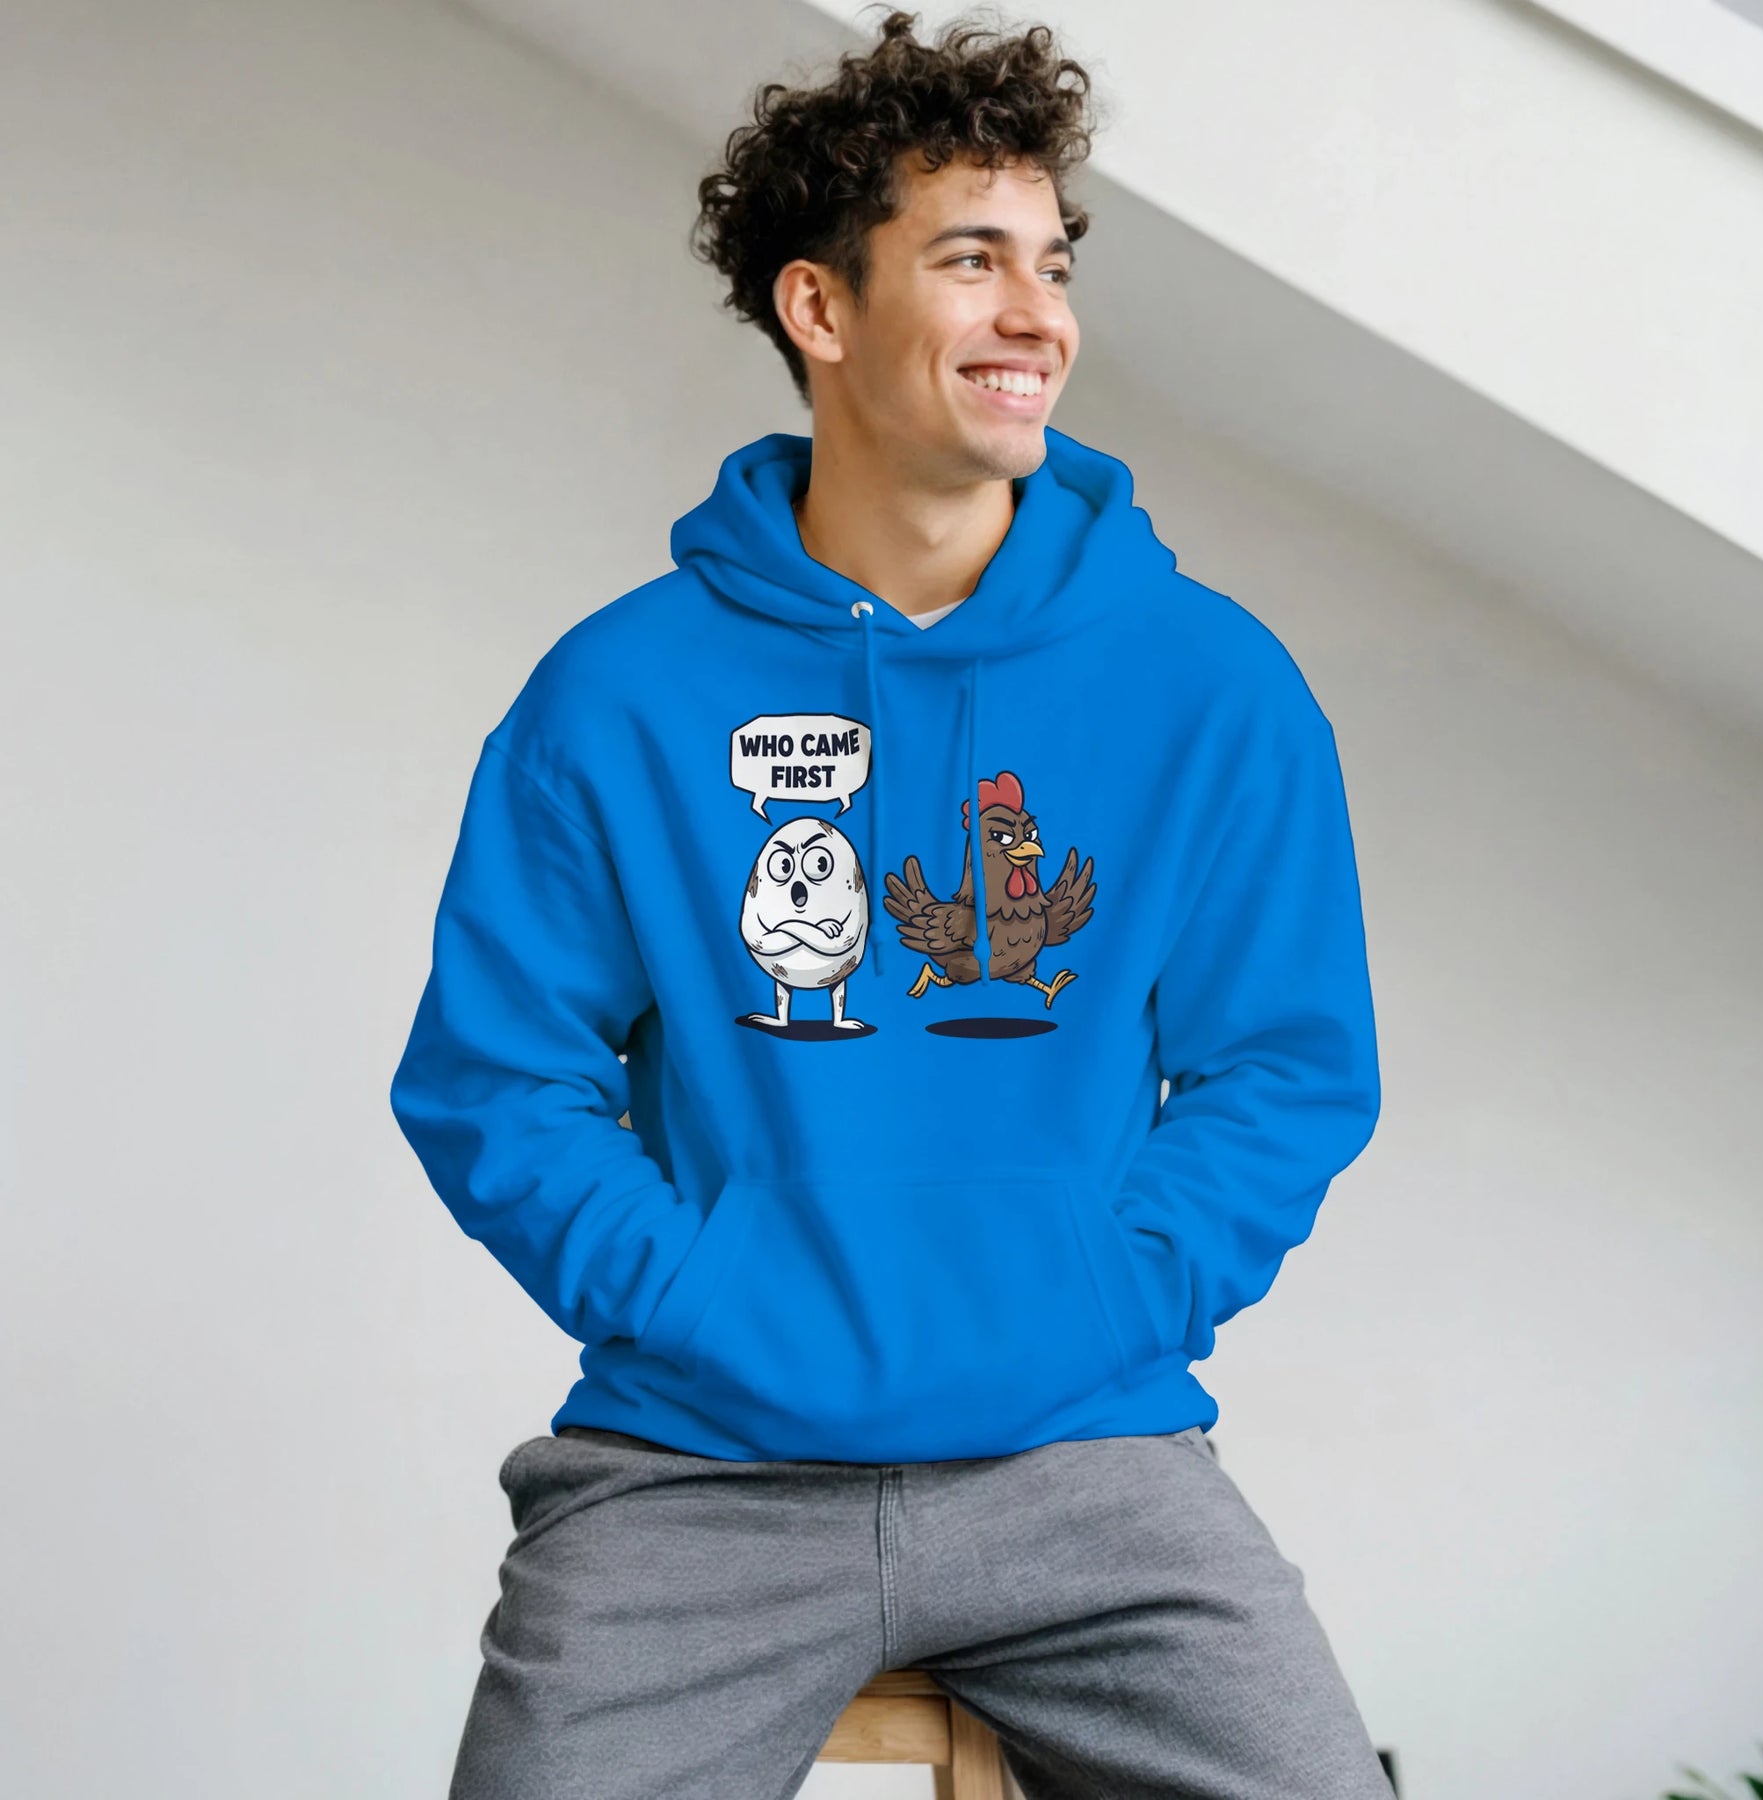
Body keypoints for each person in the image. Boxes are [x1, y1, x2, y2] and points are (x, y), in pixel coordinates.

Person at [390, 10, 1390, 1797]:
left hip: (1084, 1462)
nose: (1038, 315)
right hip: (700, 1469)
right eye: (972, 259)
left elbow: (1287, 1068)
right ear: (821, 308)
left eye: (1053, 264)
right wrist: (696, 1294)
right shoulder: (619, 695)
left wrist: (1117, 1291)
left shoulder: (1211, 686)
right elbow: (494, 1077)